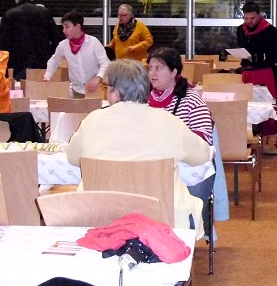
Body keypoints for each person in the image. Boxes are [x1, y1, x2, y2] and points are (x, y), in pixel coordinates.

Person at [67, 59, 212, 237]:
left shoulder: (92, 120)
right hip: (163, 220)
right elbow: (202, 155)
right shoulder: (169, 121)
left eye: (107, 88)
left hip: (101, 217)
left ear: (115, 93)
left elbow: (73, 158)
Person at [147, 46, 215, 196]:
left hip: (186, 165)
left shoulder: (191, 99)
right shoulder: (142, 99)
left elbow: (204, 138)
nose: (152, 73)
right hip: (150, 164)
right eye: (150, 68)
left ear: (174, 72)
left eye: (158, 68)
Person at [236, 2, 277, 155]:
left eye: (252, 18)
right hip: (247, 73)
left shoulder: (272, 32)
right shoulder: (241, 30)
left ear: (259, 15)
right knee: (248, 108)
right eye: (246, 18)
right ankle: (250, 141)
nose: (249, 21)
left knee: (275, 108)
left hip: (266, 73)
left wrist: (260, 57)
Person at [0, 0, 62, 80]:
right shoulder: (44, 12)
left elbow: (3, 41)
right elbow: (56, 37)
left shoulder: (9, 15)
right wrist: (50, 54)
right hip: (41, 60)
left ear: (17, 0)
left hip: (18, 61)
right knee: (40, 86)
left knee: (19, 87)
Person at [44, 11, 109, 97]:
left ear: (78, 27)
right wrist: (47, 76)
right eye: (63, 27)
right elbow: (54, 61)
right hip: (76, 90)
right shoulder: (63, 45)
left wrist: (98, 77)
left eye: (67, 27)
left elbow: (105, 63)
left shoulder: (93, 42)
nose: (64, 31)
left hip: (95, 89)